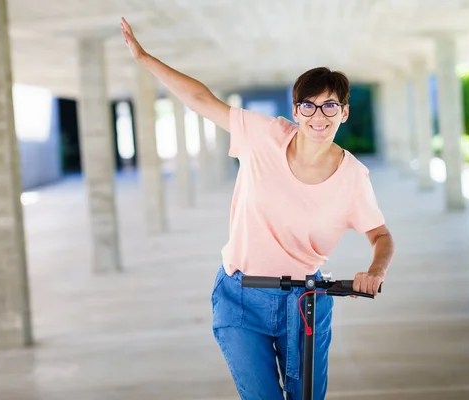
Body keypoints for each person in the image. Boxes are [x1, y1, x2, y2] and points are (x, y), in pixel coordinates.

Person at [120, 17, 395, 400]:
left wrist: (375, 270)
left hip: (305, 301)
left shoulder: (353, 177)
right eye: (309, 106)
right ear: (295, 111)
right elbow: (202, 99)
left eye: (330, 106)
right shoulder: (263, 136)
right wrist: (145, 57)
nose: (319, 116)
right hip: (240, 295)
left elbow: (380, 235)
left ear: (344, 112)